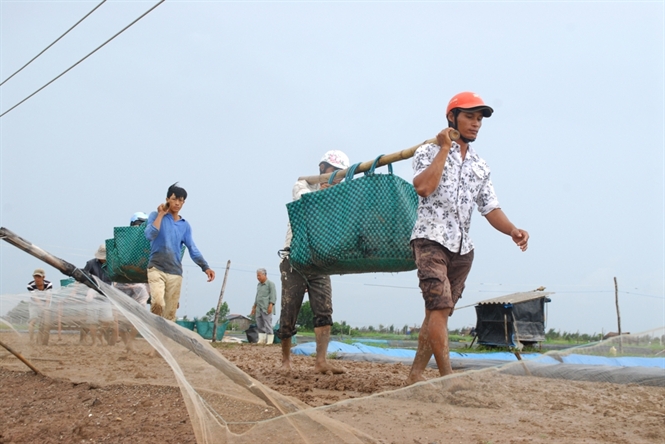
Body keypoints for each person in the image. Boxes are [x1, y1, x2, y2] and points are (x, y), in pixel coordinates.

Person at [406, 92, 529, 384]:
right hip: (431, 240)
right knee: (438, 308)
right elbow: (423, 188)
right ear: (452, 118)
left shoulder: (479, 166)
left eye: (479, 119)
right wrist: (444, 149)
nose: (476, 124)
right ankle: (448, 379)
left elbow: (490, 207)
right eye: (469, 117)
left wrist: (512, 229)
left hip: (462, 249)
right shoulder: (428, 151)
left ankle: (415, 375)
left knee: (439, 313)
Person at [277, 150, 349, 374]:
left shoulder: (339, 197)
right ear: (322, 169)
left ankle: (321, 361)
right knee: (289, 310)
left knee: (324, 310)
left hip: (319, 260)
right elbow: (304, 204)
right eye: (333, 172)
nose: (337, 178)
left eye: (341, 175)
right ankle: (286, 361)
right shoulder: (302, 186)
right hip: (295, 258)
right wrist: (323, 196)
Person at [145, 183, 215, 321]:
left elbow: (192, 249)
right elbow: (149, 235)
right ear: (167, 199)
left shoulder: (184, 225)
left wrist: (205, 267)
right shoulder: (155, 216)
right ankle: (154, 329)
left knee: (170, 315)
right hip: (156, 268)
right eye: (174, 199)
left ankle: (163, 339)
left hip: (175, 272)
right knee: (158, 303)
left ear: (183, 202)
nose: (177, 203)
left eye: (180, 200)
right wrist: (160, 215)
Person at [114, 212, 152, 351]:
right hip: (122, 283)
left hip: (138, 285)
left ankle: (130, 341)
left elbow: (148, 265)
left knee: (141, 317)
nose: (140, 228)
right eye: (138, 224)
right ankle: (128, 343)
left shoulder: (146, 244)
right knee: (121, 318)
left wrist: (149, 286)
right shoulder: (122, 241)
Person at [83, 245, 116, 346]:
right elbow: (84, 276)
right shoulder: (90, 263)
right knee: (92, 320)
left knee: (107, 319)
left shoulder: (113, 264)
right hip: (92, 292)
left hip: (106, 294)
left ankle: (100, 333)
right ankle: (94, 341)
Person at [27, 268, 53, 345]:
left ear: (43, 277)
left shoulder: (48, 284)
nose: (37, 279)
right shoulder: (30, 285)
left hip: (45, 305)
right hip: (34, 304)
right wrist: (42, 308)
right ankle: (31, 339)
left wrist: (46, 308)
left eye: (39, 277)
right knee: (33, 321)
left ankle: (41, 340)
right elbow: (36, 298)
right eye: (35, 277)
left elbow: (48, 297)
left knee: (44, 323)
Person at [251, 268, 277, 345]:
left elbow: (273, 296)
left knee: (268, 323)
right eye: (257, 276)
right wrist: (254, 307)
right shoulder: (259, 285)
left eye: (259, 275)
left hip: (266, 307)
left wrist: (271, 305)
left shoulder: (270, 284)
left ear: (264, 275)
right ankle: (261, 339)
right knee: (259, 324)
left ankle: (269, 340)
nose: (258, 277)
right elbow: (257, 296)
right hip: (259, 307)